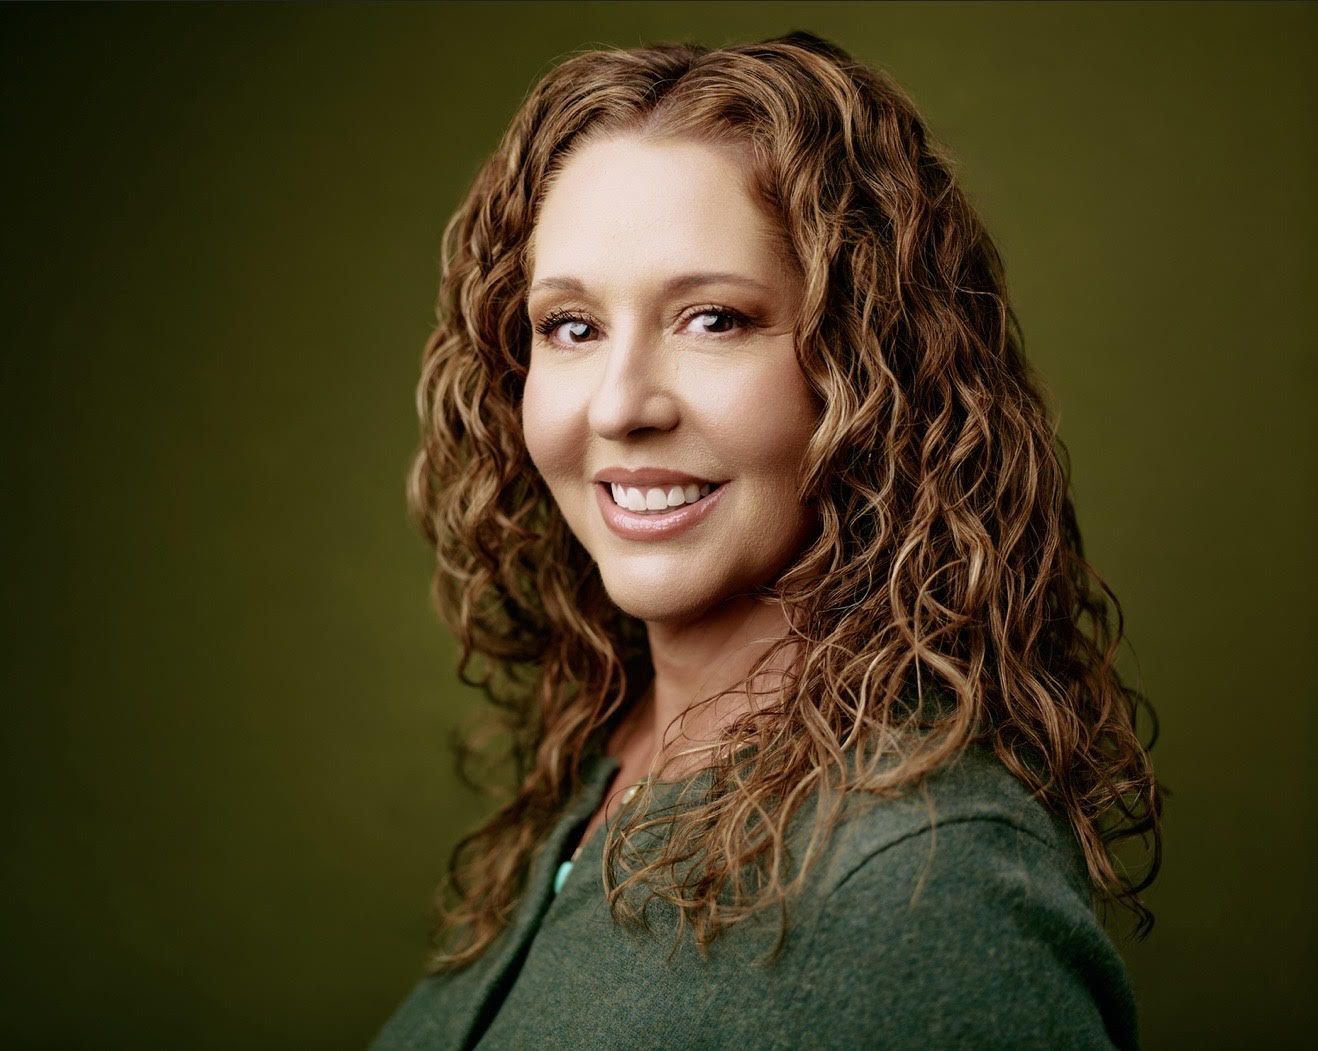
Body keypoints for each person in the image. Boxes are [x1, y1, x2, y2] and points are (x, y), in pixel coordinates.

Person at [373, 31, 1162, 1051]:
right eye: (572, 326)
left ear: (874, 365)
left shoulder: (924, 881)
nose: (618, 405)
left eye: (713, 319)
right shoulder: (605, 763)